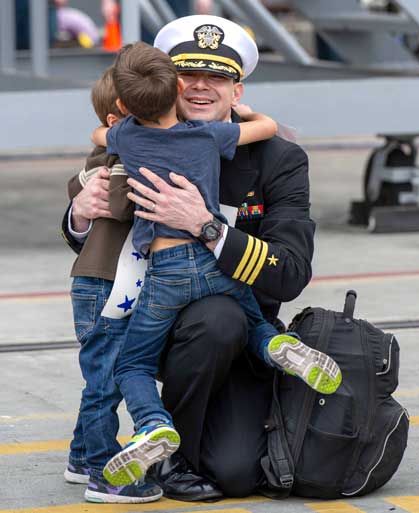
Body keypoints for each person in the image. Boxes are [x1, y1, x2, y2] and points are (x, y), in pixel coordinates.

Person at [62, 14, 317, 501]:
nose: (200, 87)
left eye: (216, 77)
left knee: (237, 473)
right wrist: (78, 213)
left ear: (237, 92)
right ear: (165, 83)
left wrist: (205, 225)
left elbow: (290, 273)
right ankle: (166, 454)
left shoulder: (277, 158)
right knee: (203, 322)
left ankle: (174, 432)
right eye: (187, 75)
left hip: (224, 338)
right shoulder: (137, 135)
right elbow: (97, 245)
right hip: (146, 318)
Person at [64, 66, 163, 504]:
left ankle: (81, 455)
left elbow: (77, 180)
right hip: (105, 282)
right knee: (105, 378)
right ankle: (104, 471)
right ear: (116, 123)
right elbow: (123, 205)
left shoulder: (105, 155)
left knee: (98, 376)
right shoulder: (118, 160)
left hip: (106, 280)